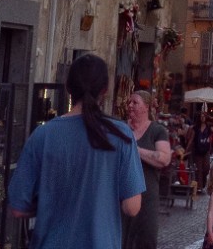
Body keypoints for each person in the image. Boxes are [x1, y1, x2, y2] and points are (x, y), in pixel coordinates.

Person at [9, 53, 146, 249]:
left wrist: (49, 204)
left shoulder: (43, 135)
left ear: (68, 87)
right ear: (105, 90)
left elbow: (17, 208)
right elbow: (132, 207)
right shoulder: (121, 135)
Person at [124, 92, 176, 249]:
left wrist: (134, 149)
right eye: (129, 102)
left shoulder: (157, 131)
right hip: (123, 196)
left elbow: (164, 159)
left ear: (146, 107)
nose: (130, 105)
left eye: (135, 102)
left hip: (147, 196)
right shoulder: (122, 128)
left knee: (146, 239)